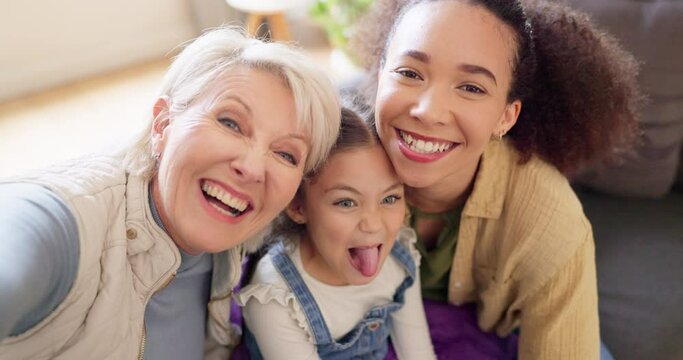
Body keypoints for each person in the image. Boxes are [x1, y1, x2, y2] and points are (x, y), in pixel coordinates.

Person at [0, 27, 340, 359]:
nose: (251, 168)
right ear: (163, 124)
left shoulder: (238, 252)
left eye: (285, 154)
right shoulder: (64, 223)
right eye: (230, 123)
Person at [349, 0, 641, 358]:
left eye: (471, 88)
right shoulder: (330, 161)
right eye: (410, 73)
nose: (428, 112)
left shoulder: (550, 219)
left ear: (506, 116)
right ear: (380, 76)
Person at [236, 107, 437, 359]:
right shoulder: (275, 299)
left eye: (390, 198)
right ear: (298, 206)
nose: (373, 225)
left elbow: (418, 353)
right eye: (346, 202)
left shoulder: (399, 259)